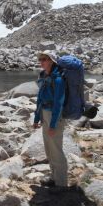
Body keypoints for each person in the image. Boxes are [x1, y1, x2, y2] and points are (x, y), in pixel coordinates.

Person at [33, 50, 68, 188]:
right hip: (44, 114)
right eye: (40, 59)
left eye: (44, 59)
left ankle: (62, 184)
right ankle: (54, 177)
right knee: (49, 149)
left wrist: (53, 125)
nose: (41, 61)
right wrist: (36, 118)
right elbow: (40, 98)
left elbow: (59, 103)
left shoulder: (58, 79)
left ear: (52, 61)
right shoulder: (43, 76)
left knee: (56, 150)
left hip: (55, 116)